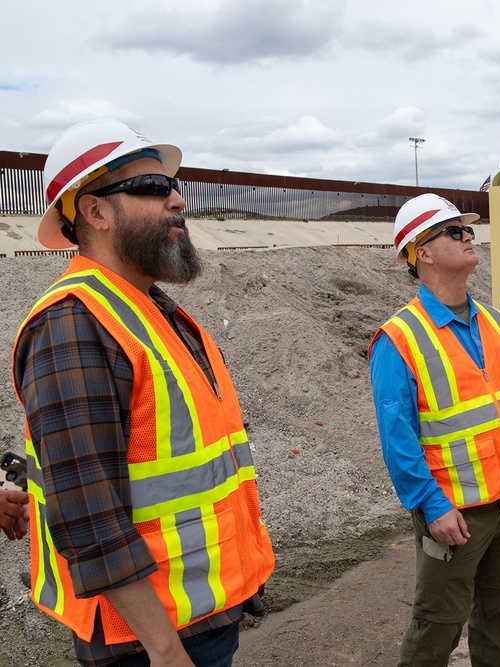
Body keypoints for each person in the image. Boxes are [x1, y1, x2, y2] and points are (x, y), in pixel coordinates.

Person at [12, 118, 274, 667]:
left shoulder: (152, 311)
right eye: (154, 188)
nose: (178, 199)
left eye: (175, 186)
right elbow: (89, 516)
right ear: (96, 212)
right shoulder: (75, 325)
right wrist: (165, 650)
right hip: (149, 640)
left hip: (197, 617)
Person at [368, 193, 500, 667]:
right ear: (421, 253)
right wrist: (432, 506)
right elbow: (398, 438)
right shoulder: (399, 339)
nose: (468, 235)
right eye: (453, 231)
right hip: (456, 515)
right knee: (437, 626)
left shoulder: (492, 320)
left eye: (467, 229)